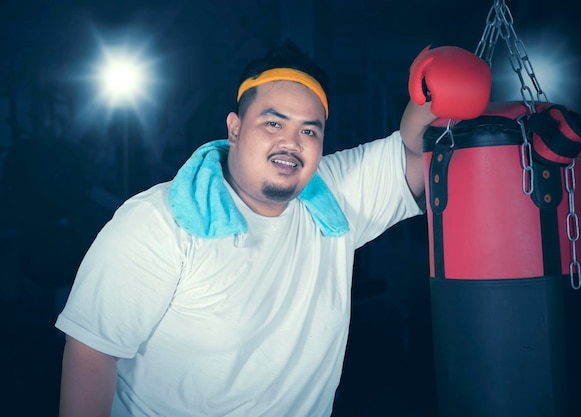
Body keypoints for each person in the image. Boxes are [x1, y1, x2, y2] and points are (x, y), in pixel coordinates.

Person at [55, 40, 491, 417]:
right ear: (235, 127)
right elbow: (92, 353)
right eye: (273, 123)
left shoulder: (333, 197)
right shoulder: (158, 223)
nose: (292, 142)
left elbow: (418, 154)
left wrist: (429, 95)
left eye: (309, 130)